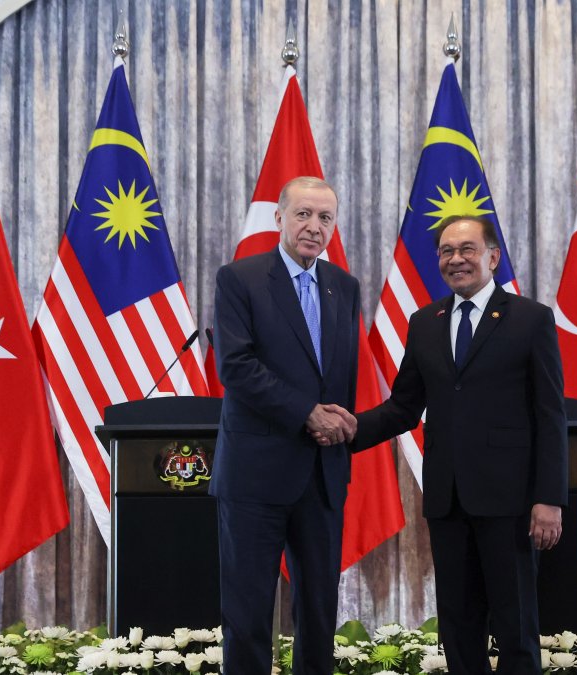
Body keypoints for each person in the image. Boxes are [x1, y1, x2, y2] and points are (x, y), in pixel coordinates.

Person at [340, 214, 568, 675]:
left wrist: (549, 499)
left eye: (467, 248)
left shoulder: (530, 319)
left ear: (492, 256)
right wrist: (346, 431)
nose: (456, 259)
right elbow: (403, 408)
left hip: (511, 502)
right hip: (447, 500)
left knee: (515, 625)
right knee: (458, 626)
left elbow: (551, 416)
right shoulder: (425, 322)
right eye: (446, 251)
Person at [210, 176, 360, 675]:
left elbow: (342, 375)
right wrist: (307, 414)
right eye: (303, 214)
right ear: (279, 218)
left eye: (324, 218)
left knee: (319, 612)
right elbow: (236, 367)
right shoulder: (240, 279)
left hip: (322, 475)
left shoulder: (346, 286)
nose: (314, 227)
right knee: (249, 612)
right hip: (256, 475)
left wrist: (334, 421)